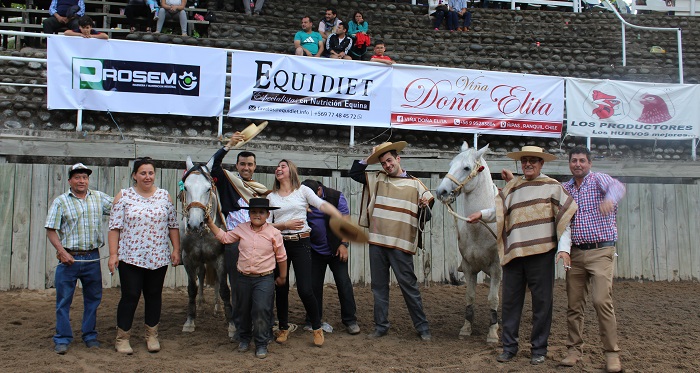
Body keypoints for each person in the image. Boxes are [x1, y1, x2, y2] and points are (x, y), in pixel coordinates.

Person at [466, 146, 577, 365]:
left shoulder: (553, 187)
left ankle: (539, 349)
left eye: (533, 161)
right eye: (524, 160)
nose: (528, 164)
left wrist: (564, 248)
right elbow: (499, 212)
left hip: (541, 253)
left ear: (541, 164)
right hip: (515, 254)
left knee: (542, 303)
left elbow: (564, 220)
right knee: (510, 302)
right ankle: (509, 347)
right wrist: (481, 214)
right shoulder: (512, 188)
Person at [348, 141, 434, 341]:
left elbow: (427, 216)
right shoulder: (378, 178)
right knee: (378, 287)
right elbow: (354, 173)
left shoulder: (416, 184)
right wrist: (369, 157)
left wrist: (423, 207)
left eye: (389, 160)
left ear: (398, 159)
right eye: (383, 163)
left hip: (401, 244)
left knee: (409, 287)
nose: (387, 165)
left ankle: (422, 328)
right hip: (377, 242)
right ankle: (381, 326)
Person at [560, 146, 625, 373]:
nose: (578, 164)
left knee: (600, 301)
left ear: (589, 163)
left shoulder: (598, 180)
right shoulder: (565, 188)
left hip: (601, 251)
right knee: (574, 304)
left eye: (582, 161)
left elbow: (618, 187)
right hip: (575, 253)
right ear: (569, 163)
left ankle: (611, 353)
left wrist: (610, 198)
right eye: (574, 160)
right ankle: (573, 350)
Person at [267, 159, 344, 347]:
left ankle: (317, 328)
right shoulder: (272, 197)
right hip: (280, 244)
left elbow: (320, 204)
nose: (279, 169)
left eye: (283, 166)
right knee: (281, 287)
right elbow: (266, 225)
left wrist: (334, 212)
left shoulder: (303, 191)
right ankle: (283, 327)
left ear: (291, 170)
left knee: (305, 289)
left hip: (301, 243)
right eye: (277, 167)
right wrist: (285, 225)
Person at [108, 157, 181, 354]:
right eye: (143, 173)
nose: (147, 177)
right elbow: (115, 228)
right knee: (130, 296)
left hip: (157, 256)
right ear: (134, 175)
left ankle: (152, 335)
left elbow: (173, 226)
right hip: (131, 256)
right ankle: (122, 338)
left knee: (154, 295)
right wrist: (113, 254)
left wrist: (176, 249)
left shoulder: (165, 197)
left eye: (150, 173)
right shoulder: (123, 196)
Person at [205, 198, 287, 359]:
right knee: (242, 309)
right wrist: (210, 223)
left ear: (267, 214)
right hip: (243, 278)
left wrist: (282, 276)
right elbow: (225, 238)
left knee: (261, 309)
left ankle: (261, 343)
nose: (257, 215)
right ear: (249, 214)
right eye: (254, 212)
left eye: (261, 212)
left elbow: (281, 257)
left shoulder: (274, 233)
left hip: (264, 278)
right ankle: (244, 338)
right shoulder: (240, 229)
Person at [46, 163, 113, 355]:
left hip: (92, 257)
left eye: (84, 177)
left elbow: (120, 206)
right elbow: (51, 229)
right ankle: (62, 338)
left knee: (93, 298)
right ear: (70, 181)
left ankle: (89, 335)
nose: (81, 181)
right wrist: (61, 251)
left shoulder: (99, 198)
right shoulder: (61, 201)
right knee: (64, 299)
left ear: (88, 180)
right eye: (77, 177)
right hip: (69, 258)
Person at [210, 133, 268, 341]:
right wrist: (229, 145)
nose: (246, 167)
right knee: (237, 288)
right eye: (242, 164)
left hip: (260, 244)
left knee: (259, 289)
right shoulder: (228, 181)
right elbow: (213, 165)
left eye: (250, 164)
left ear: (255, 167)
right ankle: (239, 327)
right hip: (235, 243)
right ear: (237, 165)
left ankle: (260, 327)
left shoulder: (259, 189)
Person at [301, 179, 360, 335]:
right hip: (314, 250)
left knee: (343, 283)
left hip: (335, 249)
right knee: (313, 286)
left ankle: (350, 320)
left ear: (319, 190)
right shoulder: (302, 201)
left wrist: (344, 245)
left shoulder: (336, 197)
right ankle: (313, 320)